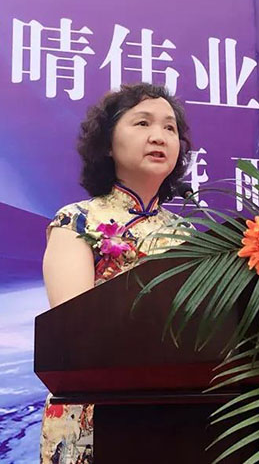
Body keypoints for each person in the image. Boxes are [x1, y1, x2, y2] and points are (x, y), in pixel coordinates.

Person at [39, 83, 193, 463]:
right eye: (142, 123)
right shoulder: (77, 221)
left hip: (177, 412)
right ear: (107, 144)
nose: (159, 136)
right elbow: (73, 329)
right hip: (94, 414)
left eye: (170, 128)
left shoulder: (189, 237)